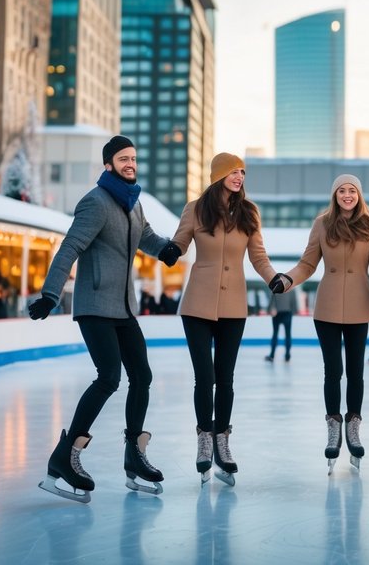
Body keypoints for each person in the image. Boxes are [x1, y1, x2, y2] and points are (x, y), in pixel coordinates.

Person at [28, 135, 176, 503]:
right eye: (123, 158)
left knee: (142, 375)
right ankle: (66, 456)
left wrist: (167, 249)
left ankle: (134, 454)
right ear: (108, 163)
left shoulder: (132, 203)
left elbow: (146, 238)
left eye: (134, 159)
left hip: (124, 307)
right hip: (94, 305)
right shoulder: (95, 202)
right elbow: (70, 248)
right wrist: (50, 293)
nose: (131, 164)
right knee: (109, 377)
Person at [162, 152, 285, 486]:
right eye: (234, 172)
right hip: (197, 304)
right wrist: (172, 250)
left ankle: (222, 440)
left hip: (233, 306)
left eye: (243, 173)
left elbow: (258, 255)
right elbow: (181, 241)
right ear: (218, 175)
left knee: (225, 377)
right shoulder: (195, 208)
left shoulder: (249, 212)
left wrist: (273, 277)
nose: (240, 177)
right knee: (205, 376)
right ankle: (204, 438)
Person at [277, 174, 369, 472]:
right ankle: (334, 426)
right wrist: (288, 279)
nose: (347, 195)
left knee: (355, 370)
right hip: (328, 305)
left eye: (352, 191)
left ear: (359, 195)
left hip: (359, 304)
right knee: (333, 370)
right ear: (335, 195)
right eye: (342, 190)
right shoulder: (322, 223)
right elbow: (308, 263)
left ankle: (353, 425)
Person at [265, 288, 295, 362]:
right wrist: (293, 312)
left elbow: (272, 300)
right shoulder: (291, 288)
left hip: (277, 313)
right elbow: (294, 302)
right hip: (287, 313)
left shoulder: (276, 287)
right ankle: (287, 355)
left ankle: (272, 355)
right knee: (288, 335)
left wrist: (270, 309)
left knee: (275, 334)